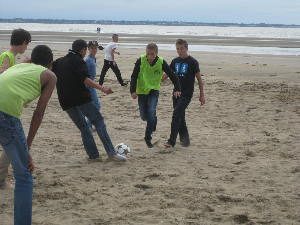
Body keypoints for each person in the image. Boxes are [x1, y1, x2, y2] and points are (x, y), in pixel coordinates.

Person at [0, 45, 57, 225]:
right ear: (50, 63)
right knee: (24, 175)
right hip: (5, 115)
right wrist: (28, 147)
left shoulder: (18, 66)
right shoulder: (49, 75)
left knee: (20, 158)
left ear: (31, 58)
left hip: (6, 114)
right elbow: (38, 114)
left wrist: (25, 152)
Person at [52, 39, 126, 161]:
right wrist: (103, 89)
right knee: (99, 122)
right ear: (82, 50)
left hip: (65, 101)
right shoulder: (79, 61)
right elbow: (86, 80)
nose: (85, 52)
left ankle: (94, 156)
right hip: (81, 98)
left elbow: (48, 69)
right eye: (85, 50)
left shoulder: (59, 61)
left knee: (84, 127)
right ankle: (111, 153)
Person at [130, 43, 181, 148]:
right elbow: (134, 76)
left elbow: (172, 75)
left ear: (156, 54)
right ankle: (154, 121)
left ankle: (147, 137)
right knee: (144, 116)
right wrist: (132, 91)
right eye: (148, 54)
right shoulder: (140, 60)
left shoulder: (161, 62)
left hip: (154, 90)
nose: (150, 56)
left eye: (152, 54)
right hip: (142, 91)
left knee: (151, 111)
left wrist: (177, 88)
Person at [0, 28, 31, 189]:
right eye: (27, 44)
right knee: (10, 143)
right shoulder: (7, 56)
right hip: (3, 106)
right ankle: (1, 179)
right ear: (23, 42)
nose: (26, 48)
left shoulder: (11, 57)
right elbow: (3, 74)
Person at [164, 39, 205, 148]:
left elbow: (200, 81)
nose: (179, 51)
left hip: (187, 94)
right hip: (175, 94)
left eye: (181, 48)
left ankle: (171, 141)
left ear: (186, 48)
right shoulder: (174, 61)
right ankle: (185, 141)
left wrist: (202, 95)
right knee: (180, 116)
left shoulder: (193, 62)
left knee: (176, 114)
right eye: (177, 48)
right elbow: (165, 75)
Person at [85, 41, 101, 129]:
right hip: (88, 86)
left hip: (91, 85)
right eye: (92, 48)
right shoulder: (87, 60)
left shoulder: (93, 59)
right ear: (88, 49)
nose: (94, 50)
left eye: (95, 48)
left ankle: (89, 124)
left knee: (94, 105)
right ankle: (88, 124)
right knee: (96, 105)